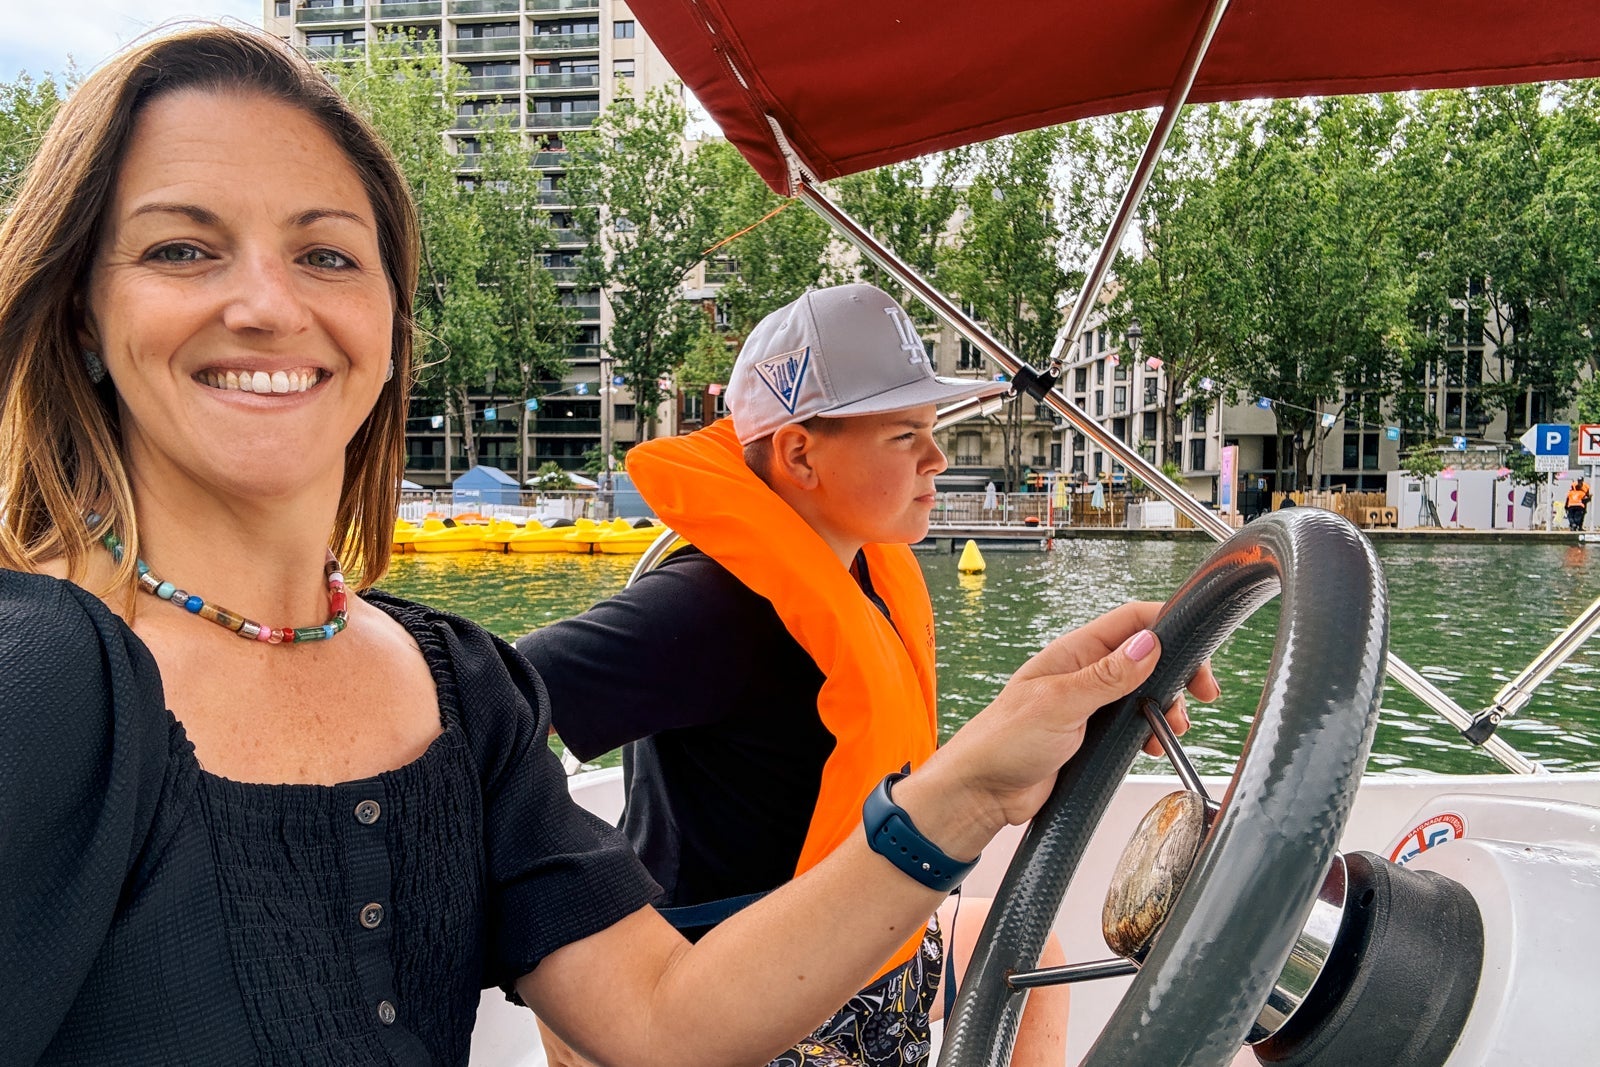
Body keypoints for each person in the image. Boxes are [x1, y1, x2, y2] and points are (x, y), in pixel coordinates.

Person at [0, 26, 1208, 1066]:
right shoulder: (40, 666)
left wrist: (980, 778)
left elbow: (658, 1014)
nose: (267, 302)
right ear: (85, 319)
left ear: (382, 324)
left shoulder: (457, 690)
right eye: (180, 248)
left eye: (326, 252)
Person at [517, 285, 1212, 1066]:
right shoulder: (708, 607)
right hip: (743, 989)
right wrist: (574, 922)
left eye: (932, 429)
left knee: (1033, 957)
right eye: (904, 434)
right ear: (800, 453)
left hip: (865, 942)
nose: (938, 458)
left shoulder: (861, 573)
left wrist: (1063, 703)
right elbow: (494, 707)